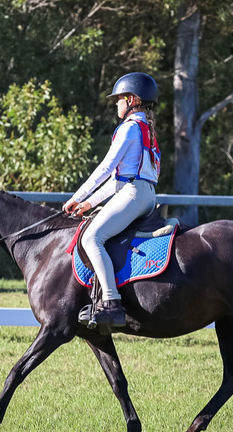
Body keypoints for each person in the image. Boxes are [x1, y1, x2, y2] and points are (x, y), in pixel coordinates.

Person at [63, 72, 161, 330]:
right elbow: (122, 178)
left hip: (133, 194)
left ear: (132, 100)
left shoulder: (129, 128)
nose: (116, 104)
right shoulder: (147, 129)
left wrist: (77, 196)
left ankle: (111, 303)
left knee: (91, 238)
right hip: (145, 194)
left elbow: (107, 168)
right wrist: (89, 203)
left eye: (119, 99)